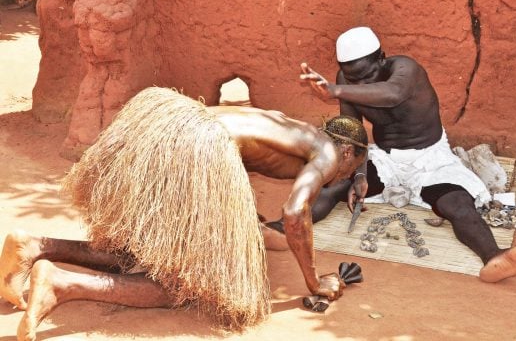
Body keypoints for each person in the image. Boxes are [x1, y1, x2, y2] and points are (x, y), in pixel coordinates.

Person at [0, 87, 368, 340]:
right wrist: (315, 282)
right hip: (197, 149)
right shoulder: (329, 154)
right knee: (187, 286)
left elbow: (239, 177)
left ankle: (35, 245)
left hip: (167, 124)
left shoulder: (289, 126)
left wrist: (256, 230)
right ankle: (62, 285)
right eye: (350, 172)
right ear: (348, 153)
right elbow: (294, 212)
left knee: (145, 254)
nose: (342, 175)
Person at [299, 26, 516, 283]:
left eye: (368, 75)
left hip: (430, 159)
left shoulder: (406, 70)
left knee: (457, 203)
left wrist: (336, 90)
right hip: (386, 159)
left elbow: (393, 94)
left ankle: (494, 256)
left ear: (382, 58)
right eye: (352, 78)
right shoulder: (345, 81)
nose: (361, 84)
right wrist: (358, 174)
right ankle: (283, 228)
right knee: (331, 183)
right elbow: (353, 133)